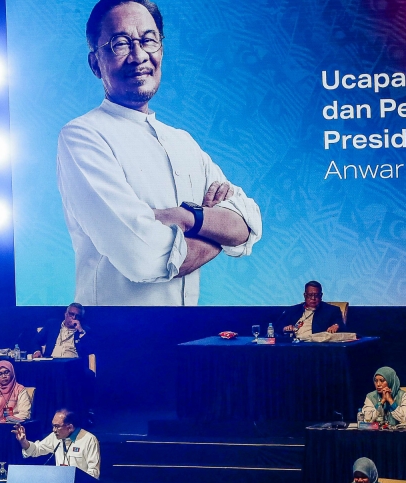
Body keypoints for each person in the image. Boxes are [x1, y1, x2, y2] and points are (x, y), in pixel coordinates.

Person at [56, 0, 262, 306]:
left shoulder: (183, 142)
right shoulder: (83, 136)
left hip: (187, 336)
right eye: (120, 44)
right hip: (119, 341)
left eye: (148, 40)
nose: (139, 56)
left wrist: (186, 217)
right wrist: (215, 236)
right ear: (95, 63)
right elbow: (143, 257)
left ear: (161, 51)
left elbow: (248, 225)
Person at [12, 409, 101, 478]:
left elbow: (93, 472)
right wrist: (23, 441)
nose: (54, 430)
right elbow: (36, 450)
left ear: (70, 427)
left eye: (57, 426)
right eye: (53, 426)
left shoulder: (89, 440)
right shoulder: (55, 437)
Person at [275, 281, 346, 338]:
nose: (313, 298)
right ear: (305, 296)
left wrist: (336, 326)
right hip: (294, 346)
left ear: (321, 296)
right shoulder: (293, 310)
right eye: (310, 295)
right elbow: (277, 327)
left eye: (316, 295)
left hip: (316, 347)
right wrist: (284, 328)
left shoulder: (331, 310)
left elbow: (342, 327)